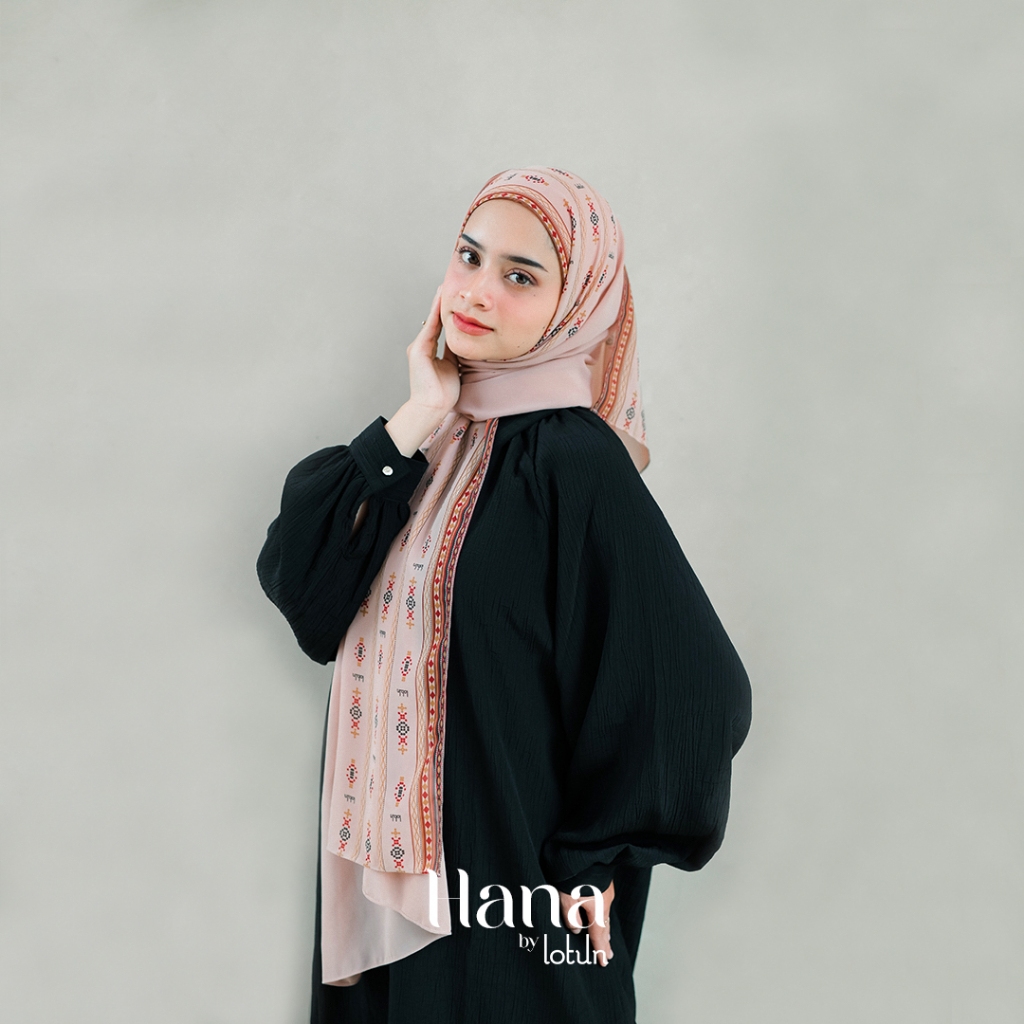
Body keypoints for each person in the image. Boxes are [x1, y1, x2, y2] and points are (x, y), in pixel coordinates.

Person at [256, 167, 752, 1023]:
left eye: (520, 276)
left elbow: (697, 689)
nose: (476, 291)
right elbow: (306, 591)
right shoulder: (427, 448)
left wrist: (582, 865)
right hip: (380, 907)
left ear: (576, 306)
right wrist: (417, 415)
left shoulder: (572, 462)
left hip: (510, 910)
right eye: (469, 256)